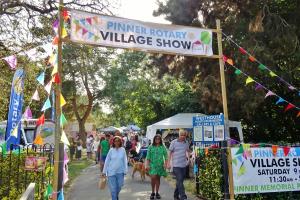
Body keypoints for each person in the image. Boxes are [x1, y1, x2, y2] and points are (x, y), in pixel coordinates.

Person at [102, 136, 128, 200]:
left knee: (120, 185)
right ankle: (114, 197)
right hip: (111, 172)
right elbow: (107, 160)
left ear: (120, 142)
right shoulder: (111, 150)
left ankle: (115, 196)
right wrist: (104, 171)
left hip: (120, 172)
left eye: (118, 141)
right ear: (113, 142)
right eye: (115, 141)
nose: (117, 142)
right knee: (113, 189)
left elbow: (125, 160)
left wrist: (126, 170)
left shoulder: (123, 150)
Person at [167, 129, 190, 200]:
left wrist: (189, 159)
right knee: (179, 179)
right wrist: (168, 163)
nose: (183, 137)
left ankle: (175, 195)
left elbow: (187, 151)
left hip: (183, 165)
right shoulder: (174, 142)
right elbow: (170, 153)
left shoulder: (186, 143)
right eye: (181, 135)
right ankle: (183, 197)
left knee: (180, 181)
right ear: (179, 135)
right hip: (176, 165)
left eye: (184, 135)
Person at [145, 134, 168, 200]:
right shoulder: (150, 147)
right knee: (153, 177)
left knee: (158, 178)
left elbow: (166, 156)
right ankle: (152, 192)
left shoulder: (162, 147)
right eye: (156, 139)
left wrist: (165, 164)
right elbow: (148, 157)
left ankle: (157, 192)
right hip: (152, 165)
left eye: (158, 139)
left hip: (160, 165)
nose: (157, 140)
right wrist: (147, 165)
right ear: (154, 139)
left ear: (160, 140)